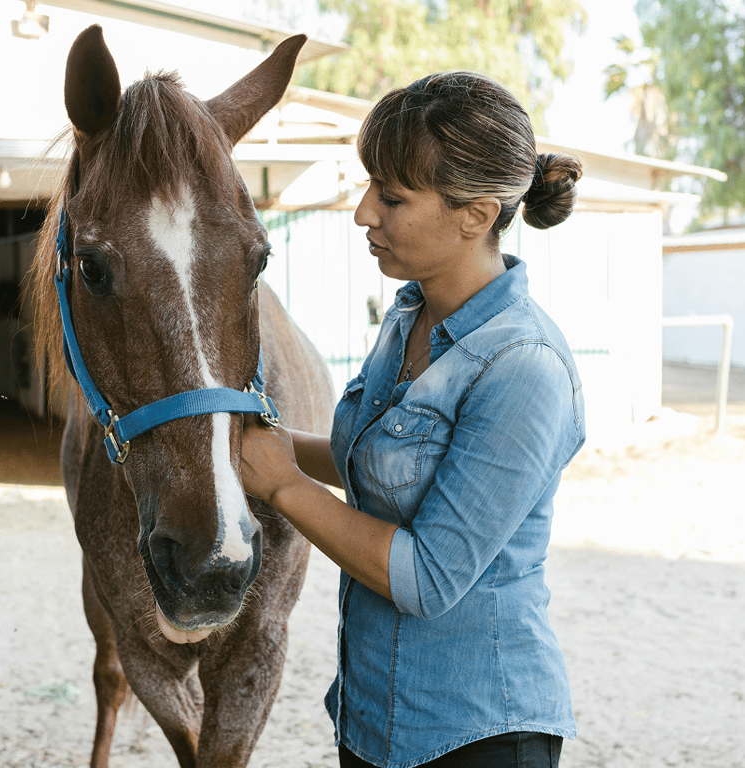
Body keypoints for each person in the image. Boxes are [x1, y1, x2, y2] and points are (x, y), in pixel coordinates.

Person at [240, 70, 586, 768]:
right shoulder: (410, 316)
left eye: (392, 197)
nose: (364, 212)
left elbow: (428, 578)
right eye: (370, 186)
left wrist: (282, 487)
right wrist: (266, 444)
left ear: (476, 215)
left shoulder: (523, 367)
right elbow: (382, 461)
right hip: (377, 717)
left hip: (475, 735)